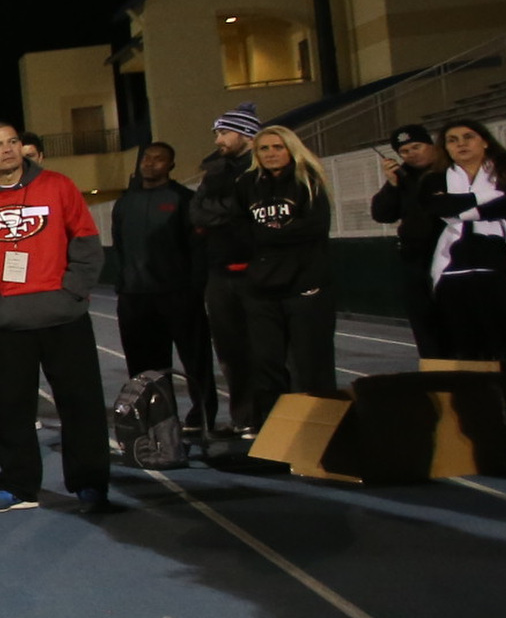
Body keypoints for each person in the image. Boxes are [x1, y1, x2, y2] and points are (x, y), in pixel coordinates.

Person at [0, 118, 110, 512]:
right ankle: (18, 486)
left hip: (64, 319)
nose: (7, 149)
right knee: (12, 408)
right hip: (9, 325)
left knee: (81, 405)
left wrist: (71, 294)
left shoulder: (57, 187)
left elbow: (87, 243)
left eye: (13, 141)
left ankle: (89, 483)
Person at [419, 117, 506, 420]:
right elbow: (436, 208)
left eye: (468, 137)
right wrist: (490, 202)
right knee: (466, 348)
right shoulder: (433, 179)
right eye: (452, 139)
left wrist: (460, 208)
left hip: (504, 269)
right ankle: (479, 419)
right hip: (453, 272)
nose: (460, 143)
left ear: (485, 141)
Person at [110, 141, 218, 436]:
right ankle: (156, 417)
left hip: (178, 295)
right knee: (144, 367)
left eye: (159, 159)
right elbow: (119, 245)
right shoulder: (125, 203)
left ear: (170, 165)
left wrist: (194, 289)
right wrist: (124, 283)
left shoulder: (184, 199)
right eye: (147, 157)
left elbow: (197, 248)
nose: (151, 163)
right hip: (135, 298)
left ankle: (202, 415)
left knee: (195, 360)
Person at [231, 125, 338, 425]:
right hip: (262, 289)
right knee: (266, 364)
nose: (271, 153)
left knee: (312, 366)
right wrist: (273, 235)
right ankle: (275, 433)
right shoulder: (247, 184)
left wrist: (264, 236)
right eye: (264, 148)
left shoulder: (308, 181)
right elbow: (239, 230)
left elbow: (314, 228)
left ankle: (320, 432)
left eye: (278, 147)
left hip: (306, 287)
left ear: (290, 149)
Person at [195, 103, 265, 437]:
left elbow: (252, 210)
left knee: (267, 349)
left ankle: (273, 416)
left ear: (246, 135)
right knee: (230, 351)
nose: (219, 140)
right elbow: (198, 213)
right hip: (220, 270)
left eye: (224, 132)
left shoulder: (264, 167)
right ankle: (244, 417)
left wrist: (225, 210)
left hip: (259, 270)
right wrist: (232, 210)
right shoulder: (215, 172)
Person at [367, 123, 450, 356]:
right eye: (405, 151)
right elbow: (382, 214)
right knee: (425, 325)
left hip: (452, 256)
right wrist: (392, 185)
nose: (412, 153)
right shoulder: (401, 177)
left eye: (417, 146)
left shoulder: (452, 172)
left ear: (431, 145)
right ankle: (436, 377)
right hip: (416, 258)